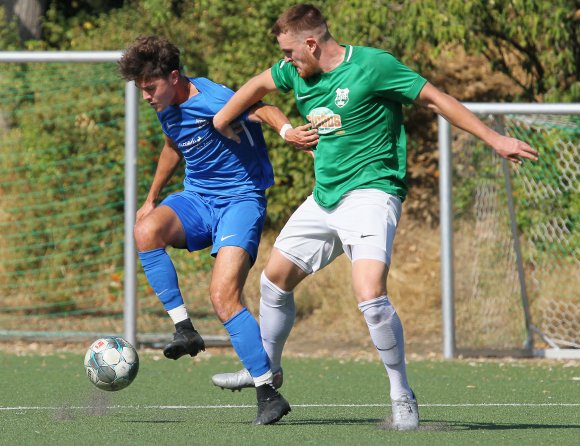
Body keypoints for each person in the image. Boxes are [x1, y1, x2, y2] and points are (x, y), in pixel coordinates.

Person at [209, 4, 539, 431]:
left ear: (311, 43)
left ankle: (402, 394)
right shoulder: (297, 71)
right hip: (324, 198)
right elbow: (257, 85)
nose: (285, 61)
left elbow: (435, 98)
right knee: (273, 281)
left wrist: (495, 139)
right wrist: (230, 121)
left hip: (371, 193)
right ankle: (268, 371)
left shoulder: (373, 66)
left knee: (369, 295)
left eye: (290, 52)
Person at [118, 36, 313, 425]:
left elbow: (263, 108)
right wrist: (152, 198)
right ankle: (185, 330)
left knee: (223, 297)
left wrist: (288, 131)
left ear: (174, 77)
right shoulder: (167, 105)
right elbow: (175, 145)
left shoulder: (213, 98)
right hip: (198, 200)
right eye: (140, 90)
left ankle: (268, 393)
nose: (146, 98)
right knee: (145, 231)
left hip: (240, 202)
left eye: (150, 89)